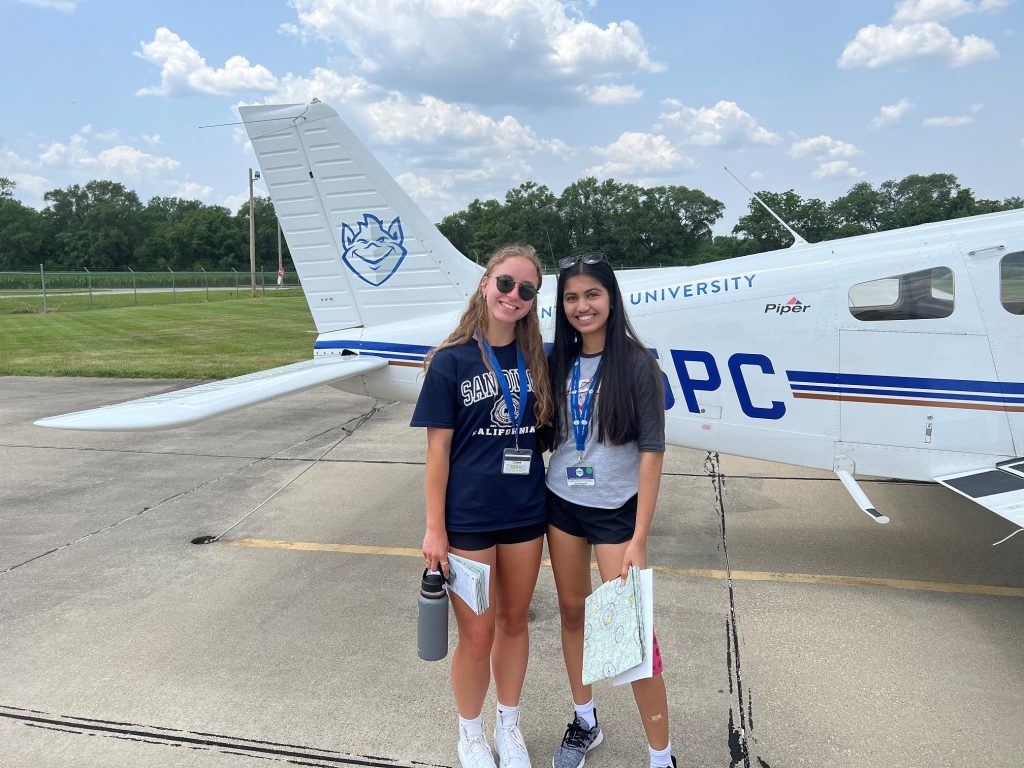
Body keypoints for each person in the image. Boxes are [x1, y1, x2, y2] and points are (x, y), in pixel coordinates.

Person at [411, 244, 554, 768]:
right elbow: (437, 452)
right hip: (467, 519)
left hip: (524, 512)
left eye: (526, 289)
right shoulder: (451, 361)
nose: (513, 296)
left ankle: (508, 724)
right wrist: (434, 530)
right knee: (477, 633)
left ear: (534, 300)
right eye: (505, 284)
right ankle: (470, 732)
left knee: (515, 623)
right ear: (484, 286)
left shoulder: (539, 359)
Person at [544, 252, 676, 768]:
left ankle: (660, 755)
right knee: (573, 612)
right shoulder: (558, 359)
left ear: (612, 299)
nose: (582, 306)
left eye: (592, 295)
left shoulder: (638, 364)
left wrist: (640, 536)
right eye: (572, 297)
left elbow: (652, 451)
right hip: (562, 505)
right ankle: (586, 720)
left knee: (632, 635)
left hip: (618, 512)